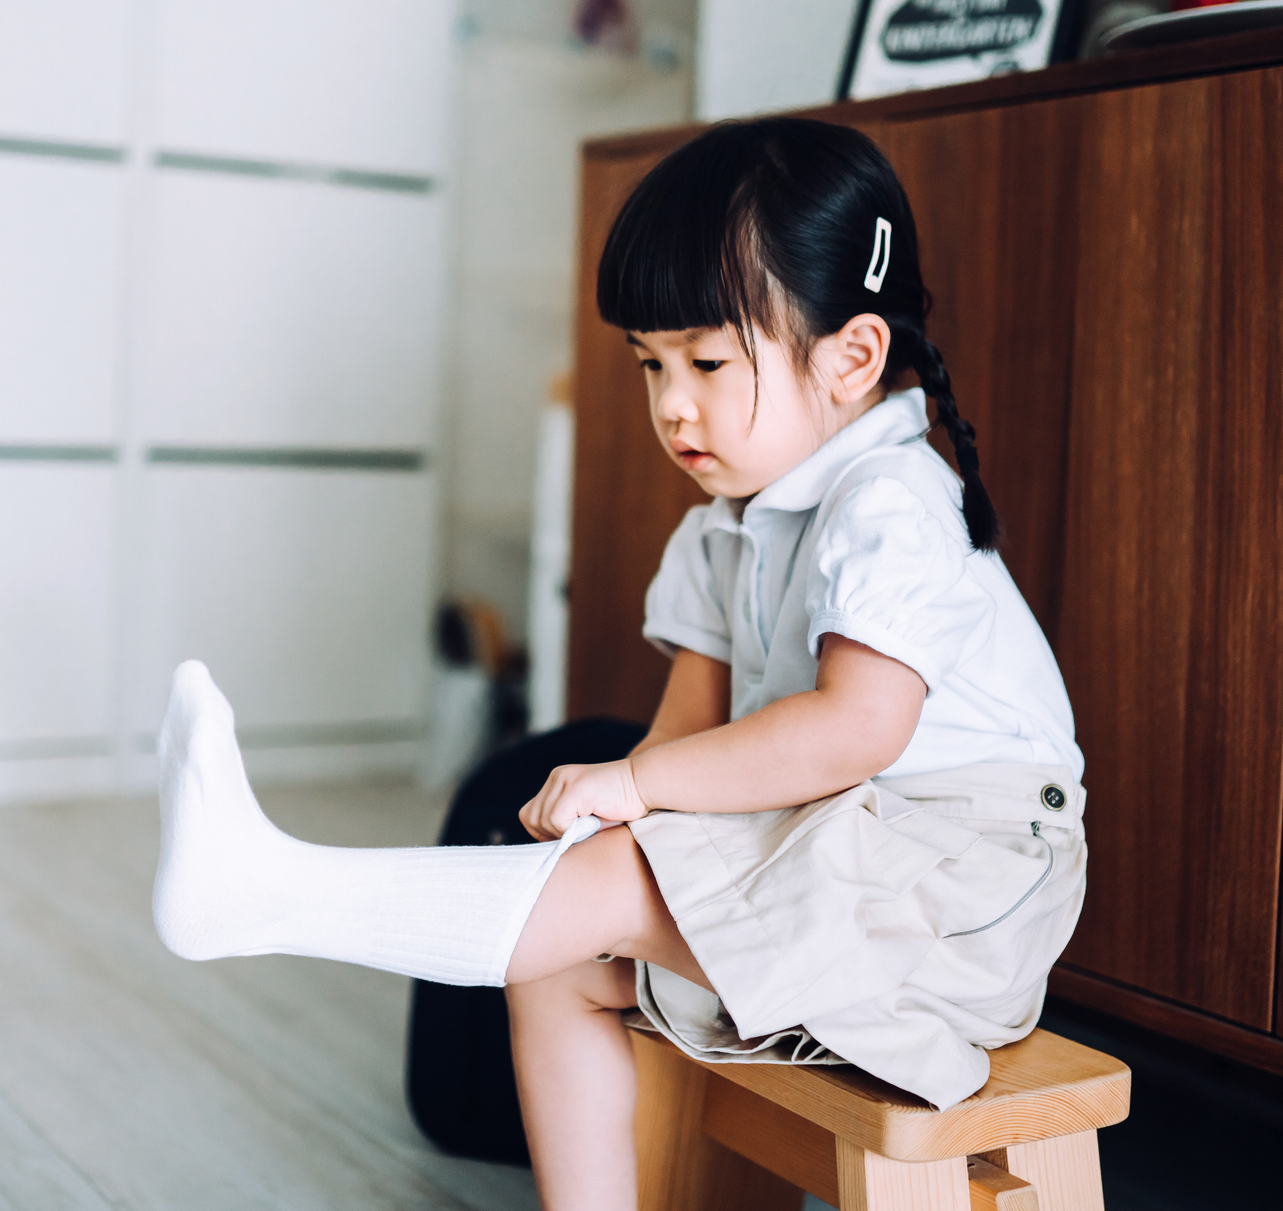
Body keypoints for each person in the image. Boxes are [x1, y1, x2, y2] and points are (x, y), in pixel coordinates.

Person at [151, 118, 1085, 1211]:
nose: (669, 403)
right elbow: (685, 737)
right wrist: (616, 810)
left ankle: (272, 893)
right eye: (649, 364)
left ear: (854, 357)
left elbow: (855, 727)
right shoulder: (720, 529)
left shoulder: (889, 501)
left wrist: (635, 795)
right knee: (557, 955)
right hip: (832, 854)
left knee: (611, 884)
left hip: (959, 891)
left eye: (704, 360)